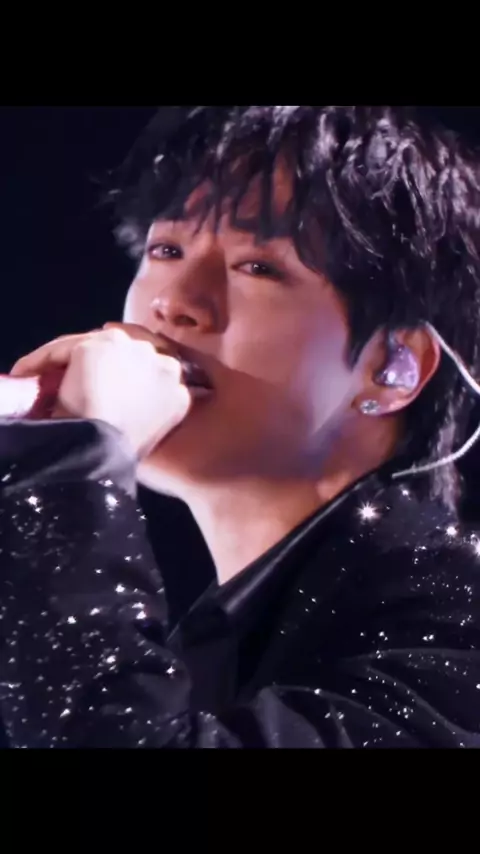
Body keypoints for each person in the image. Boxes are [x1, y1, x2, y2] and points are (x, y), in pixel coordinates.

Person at [1, 105, 480, 748]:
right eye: (167, 250)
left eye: (259, 267)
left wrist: (75, 475)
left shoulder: (458, 630)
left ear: (393, 369)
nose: (174, 302)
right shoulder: (230, 631)